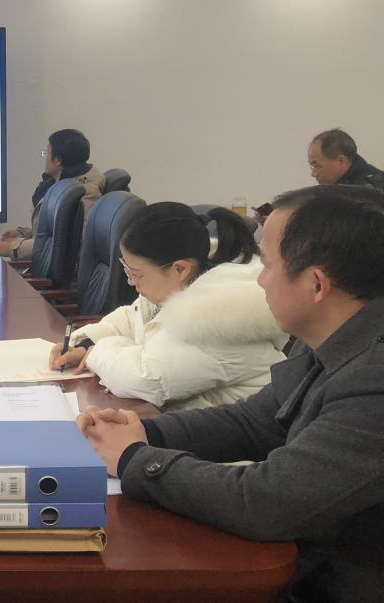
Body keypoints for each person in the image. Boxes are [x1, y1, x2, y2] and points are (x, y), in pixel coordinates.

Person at [76, 185, 384, 602]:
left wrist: (134, 459)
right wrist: (146, 433)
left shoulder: (373, 379)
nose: (259, 280)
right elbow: (255, 422)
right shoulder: (334, 337)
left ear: (316, 285)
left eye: (268, 266)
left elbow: (267, 501)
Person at [51, 202, 285, 411]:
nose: (131, 282)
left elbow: (145, 378)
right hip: (186, 427)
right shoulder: (182, 283)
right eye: (127, 270)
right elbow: (133, 319)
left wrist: (97, 352)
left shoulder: (218, 318)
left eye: (136, 274)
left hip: (233, 443)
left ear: (179, 269)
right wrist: (84, 343)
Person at [0, 129, 106, 259]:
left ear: (57, 160)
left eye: (47, 153)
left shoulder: (85, 192)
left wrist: (14, 249)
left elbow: (69, 242)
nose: (45, 157)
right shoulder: (56, 184)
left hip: (62, 270)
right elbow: (58, 230)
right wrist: (24, 234)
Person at [307, 128, 384, 191]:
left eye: (317, 166)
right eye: (312, 166)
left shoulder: (372, 190)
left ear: (341, 161)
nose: (313, 174)